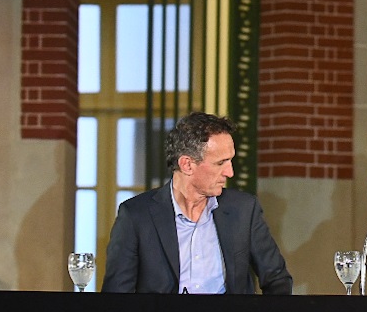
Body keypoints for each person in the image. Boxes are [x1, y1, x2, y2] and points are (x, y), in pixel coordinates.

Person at [102, 111, 292, 294]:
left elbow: (277, 279)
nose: (230, 172)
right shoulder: (136, 216)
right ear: (187, 164)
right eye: (220, 163)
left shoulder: (244, 211)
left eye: (230, 161)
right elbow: (117, 299)